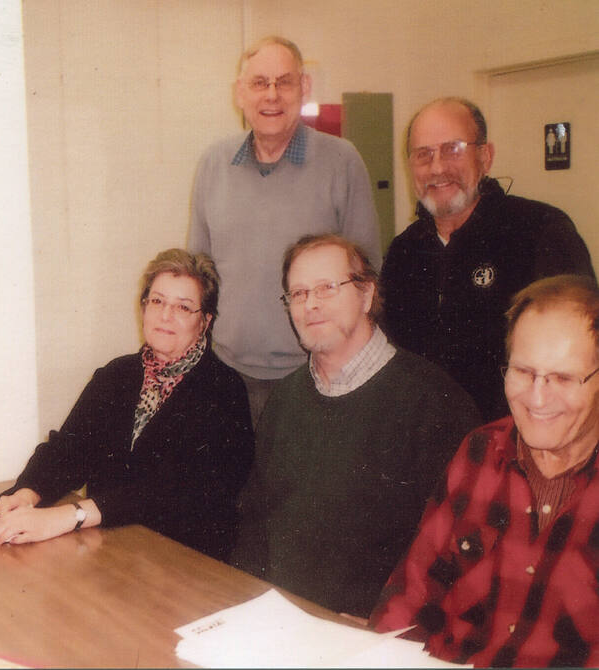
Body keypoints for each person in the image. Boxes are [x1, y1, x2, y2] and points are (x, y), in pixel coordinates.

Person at [230, 235, 480, 617]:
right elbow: (255, 522)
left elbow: (456, 552)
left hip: (373, 631)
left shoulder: (435, 403)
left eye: (327, 288)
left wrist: (378, 622)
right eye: (297, 293)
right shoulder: (285, 400)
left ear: (366, 295)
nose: (311, 304)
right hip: (277, 620)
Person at [372, 275, 599, 666]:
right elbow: (413, 590)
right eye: (524, 372)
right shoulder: (480, 450)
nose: (537, 398)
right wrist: (377, 655)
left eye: (562, 377)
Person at [0, 249, 253, 560]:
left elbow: (172, 492)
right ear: (143, 307)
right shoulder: (117, 374)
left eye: (183, 307)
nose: (166, 315)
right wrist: (27, 493)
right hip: (110, 548)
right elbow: (68, 450)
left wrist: (68, 516)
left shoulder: (225, 391)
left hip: (183, 563)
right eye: (157, 301)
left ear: (205, 321)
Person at [189, 35, 379, 427]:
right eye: (259, 83)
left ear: (304, 88)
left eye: (284, 82)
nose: (271, 95)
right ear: (240, 93)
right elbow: (197, 277)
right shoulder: (213, 164)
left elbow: (367, 277)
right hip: (227, 376)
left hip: (316, 376)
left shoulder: (342, 162)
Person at [381, 97, 594, 422]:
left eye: (452, 149)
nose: (437, 167)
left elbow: (582, 350)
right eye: (424, 154)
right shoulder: (403, 252)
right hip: (427, 442)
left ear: (485, 156)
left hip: (515, 442)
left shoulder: (539, 232)